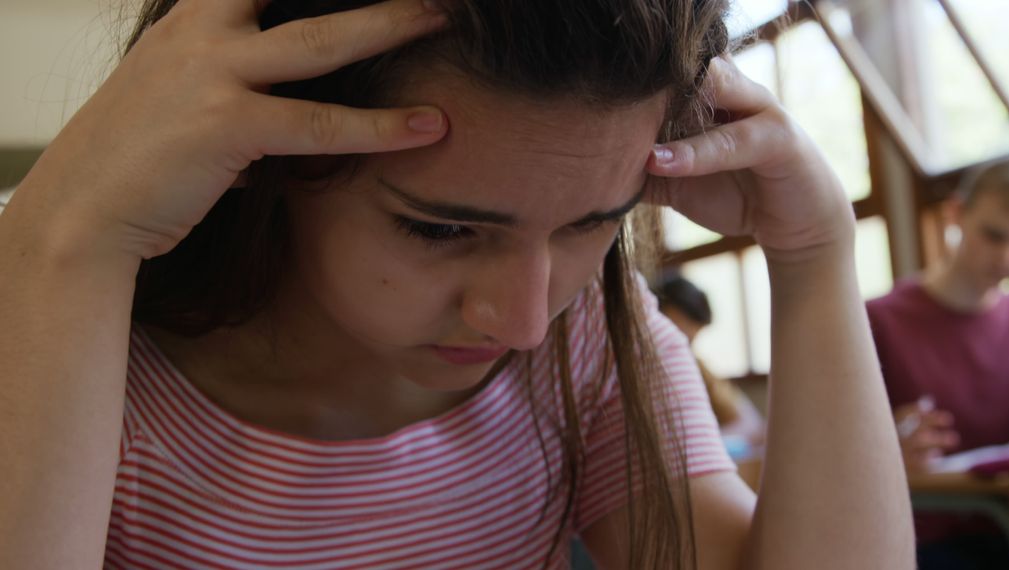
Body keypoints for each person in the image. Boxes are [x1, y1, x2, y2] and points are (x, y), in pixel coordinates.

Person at [0, 0, 913, 567]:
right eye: (440, 228)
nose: (520, 318)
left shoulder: (589, 339)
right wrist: (62, 237)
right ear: (266, 160)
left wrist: (815, 254)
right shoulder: (83, 346)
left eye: (591, 225)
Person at [867, 149, 1009, 569]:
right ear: (956, 214)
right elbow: (837, 442)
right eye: (994, 235)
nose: (1006, 258)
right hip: (923, 534)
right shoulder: (881, 317)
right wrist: (888, 444)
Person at [655, 273, 766, 447]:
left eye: (691, 338)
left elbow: (751, 425)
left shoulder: (696, 366)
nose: (683, 344)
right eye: (678, 330)